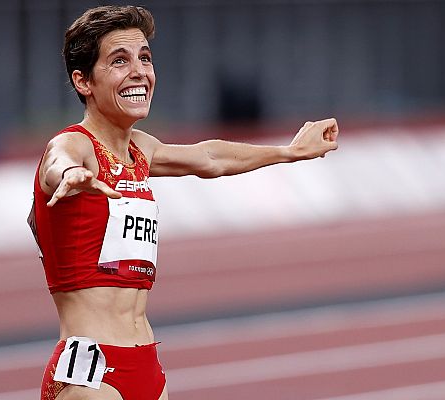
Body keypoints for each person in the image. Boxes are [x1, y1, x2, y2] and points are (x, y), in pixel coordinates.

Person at [28, 5, 339, 400]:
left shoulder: (140, 149)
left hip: (146, 366)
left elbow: (209, 157)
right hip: (92, 372)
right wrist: (71, 173)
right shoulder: (75, 144)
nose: (139, 71)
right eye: (120, 60)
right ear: (83, 81)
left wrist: (289, 152)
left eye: (145, 58)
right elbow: (57, 160)